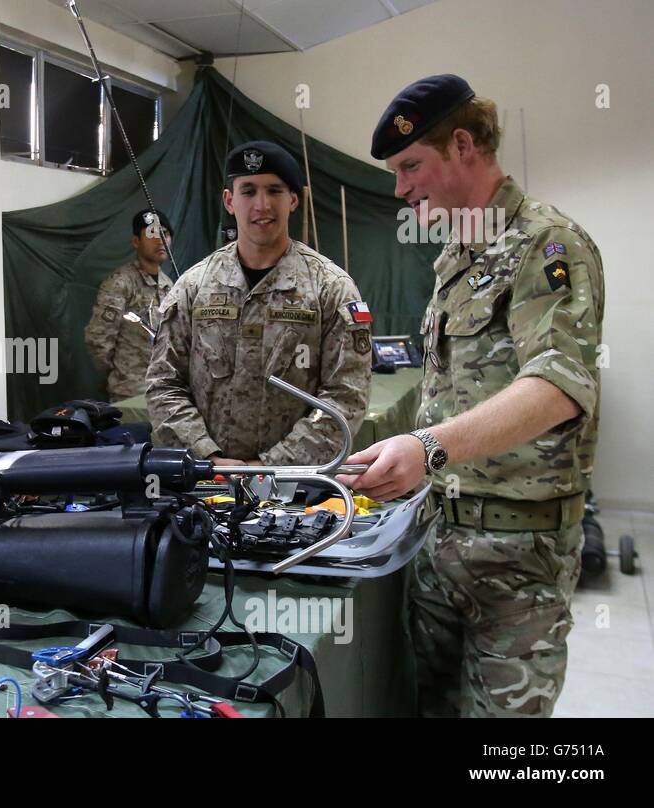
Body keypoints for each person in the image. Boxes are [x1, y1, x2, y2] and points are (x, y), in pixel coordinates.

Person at [339, 75, 604, 717]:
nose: (400, 189)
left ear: (462, 145)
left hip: (517, 565)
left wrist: (426, 447)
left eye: (410, 166)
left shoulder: (548, 244)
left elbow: (558, 386)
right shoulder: (458, 258)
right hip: (439, 547)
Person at [147, 141, 373, 467]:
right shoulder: (193, 288)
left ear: (293, 199)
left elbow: (346, 397)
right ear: (229, 200)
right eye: (248, 191)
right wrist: (207, 457)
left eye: (275, 191)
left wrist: (270, 467)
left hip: (297, 486)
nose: (262, 205)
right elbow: (163, 383)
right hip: (207, 482)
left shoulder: (331, 289)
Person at [83, 209, 175, 401]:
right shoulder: (121, 283)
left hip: (165, 391)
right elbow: (98, 339)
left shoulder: (170, 286)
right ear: (136, 242)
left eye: (164, 233)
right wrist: (122, 372)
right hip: (131, 392)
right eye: (151, 233)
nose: (160, 239)